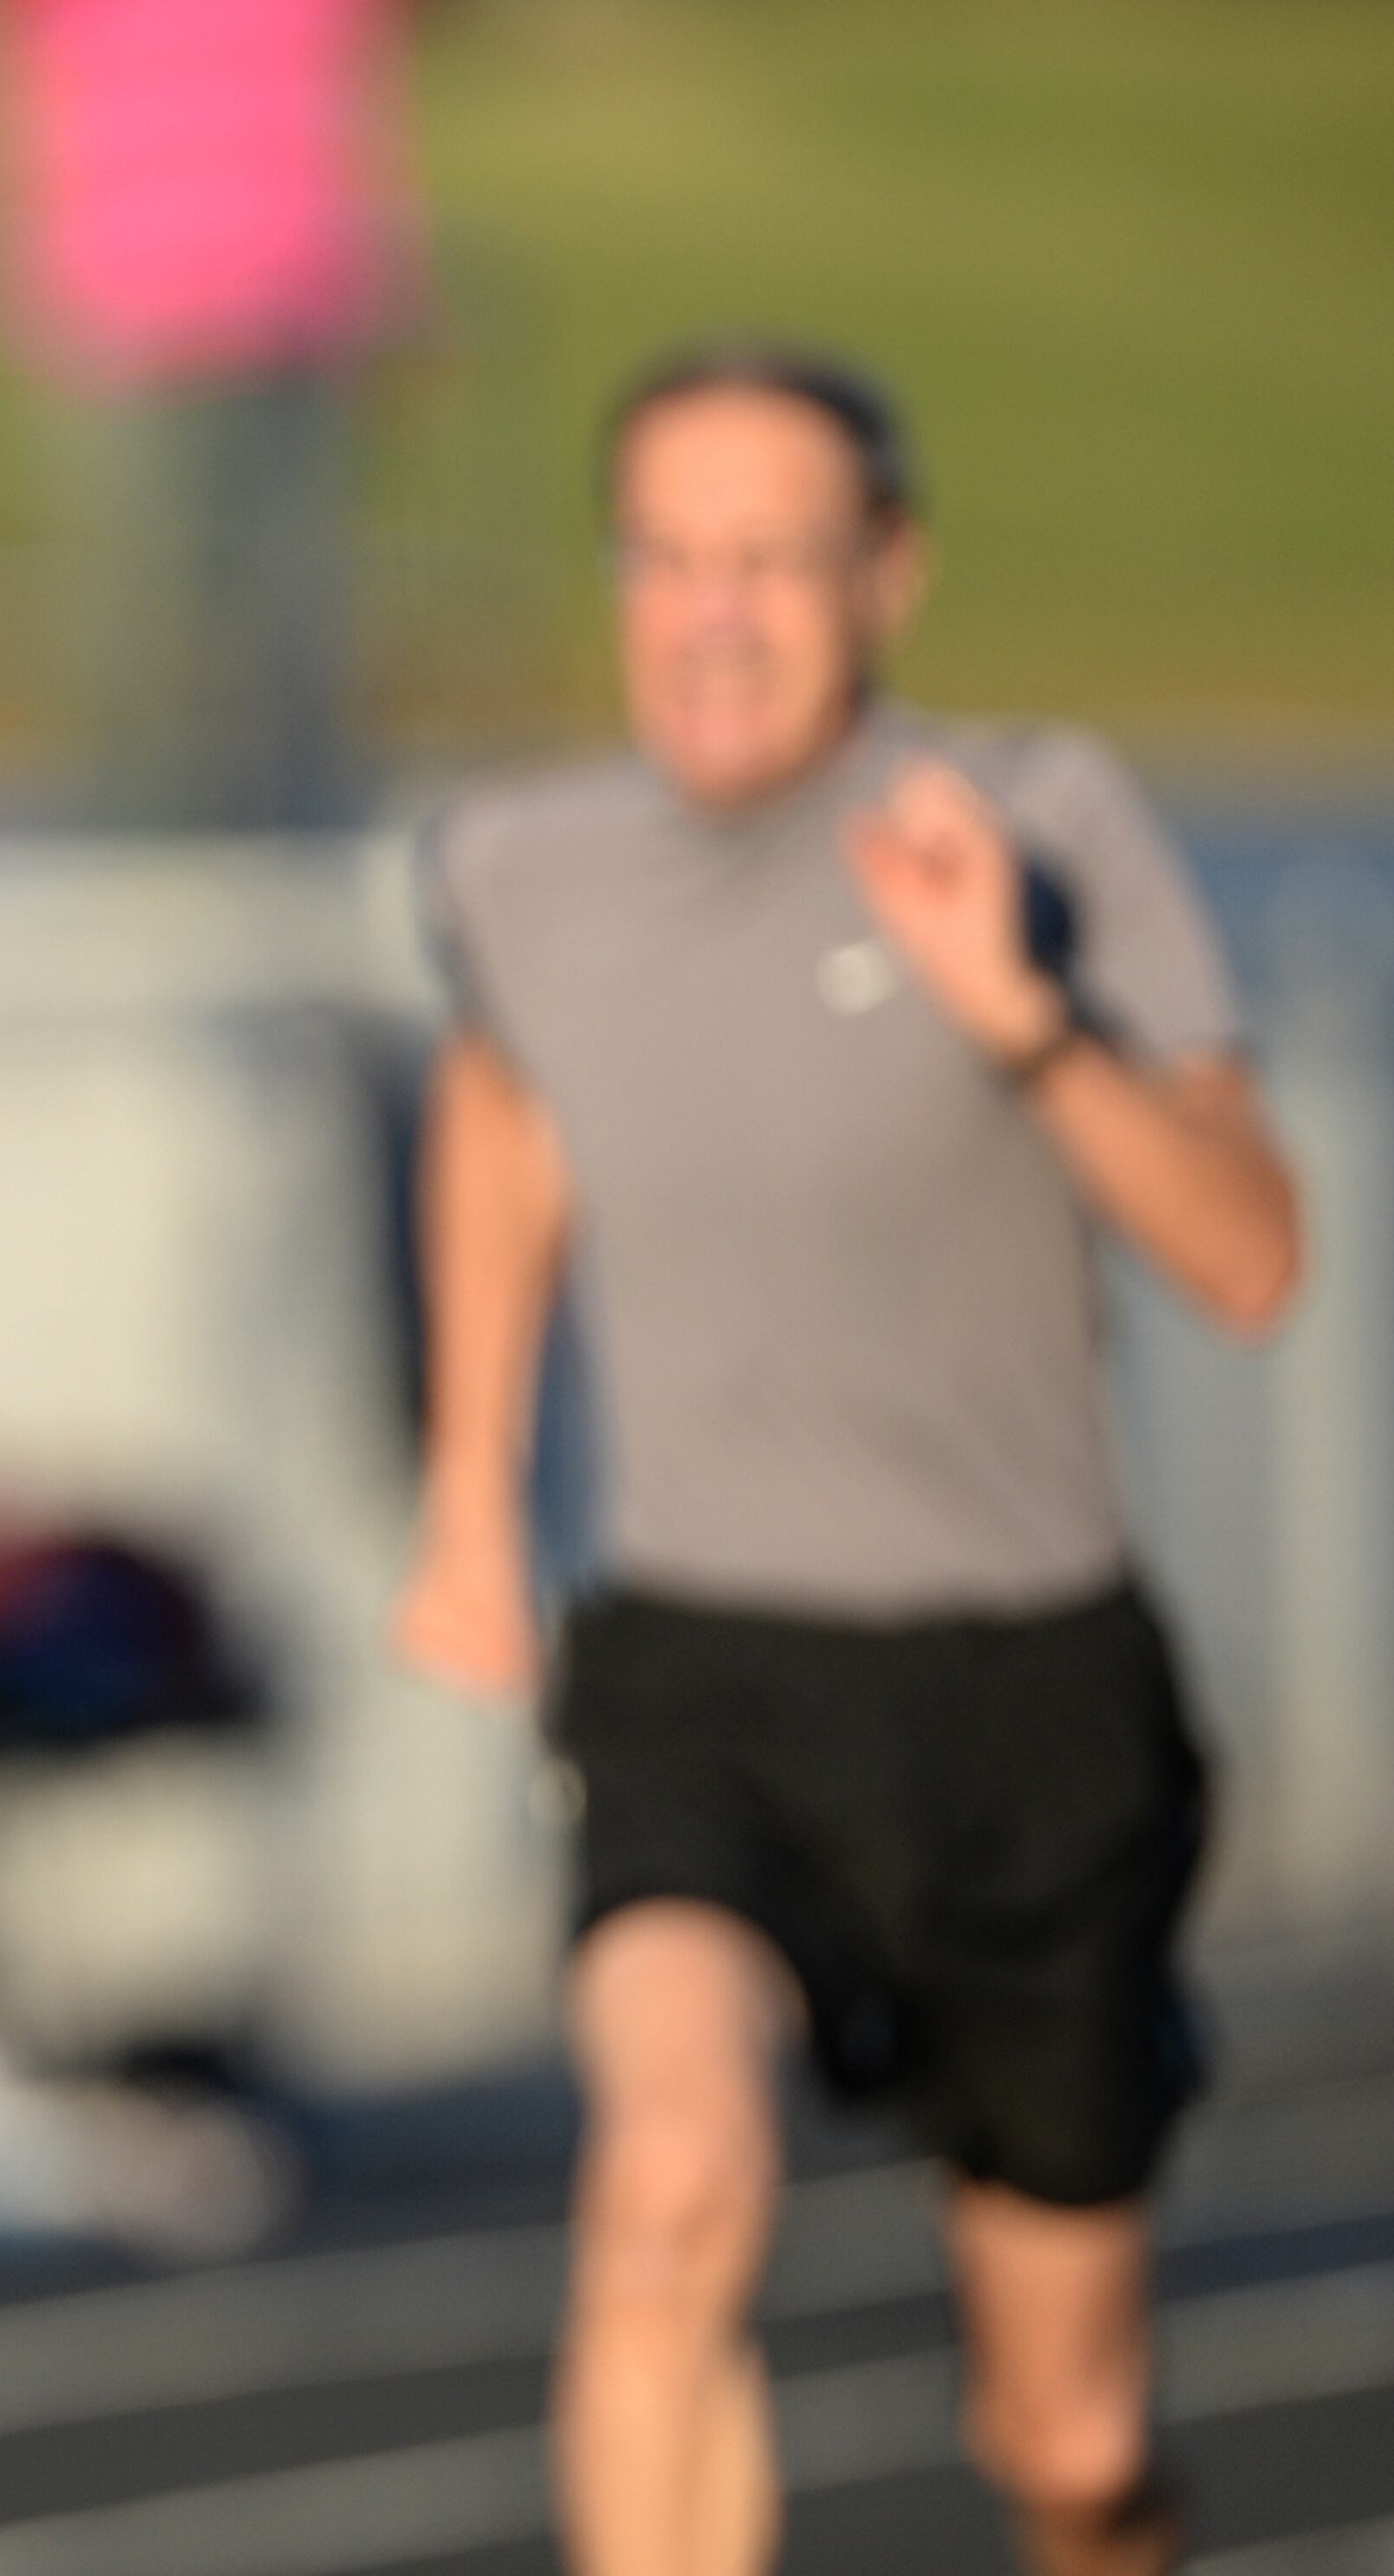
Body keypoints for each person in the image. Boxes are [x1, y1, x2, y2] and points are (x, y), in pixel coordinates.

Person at [395, 345, 1300, 2576]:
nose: (717, 614)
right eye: (672, 560)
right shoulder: (519, 865)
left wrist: (1023, 1017)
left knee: (1070, 2440)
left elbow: (1250, 1255)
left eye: (775, 563)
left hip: (1026, 1699)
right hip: (702, 1670)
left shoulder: (1038, 826)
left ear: (885, 575)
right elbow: (508, 1106)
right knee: (672, 2187)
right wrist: (470, 1483)